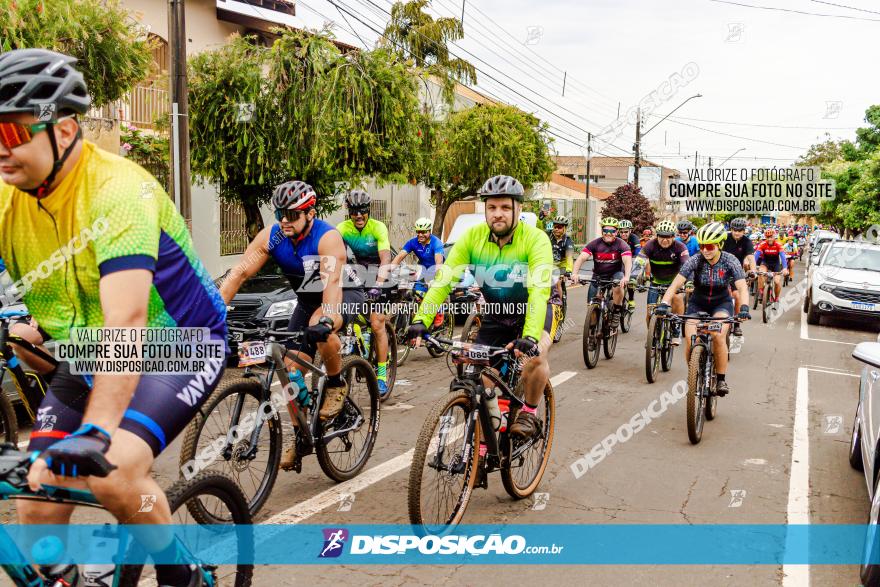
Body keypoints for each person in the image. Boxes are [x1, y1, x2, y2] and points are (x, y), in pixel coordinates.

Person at [0, 48, 228, 586]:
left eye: (11, 133)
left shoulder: (119, 192)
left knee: (113, 472)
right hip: (86, 351)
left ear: (64, 131)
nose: (0, 148)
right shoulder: (9, 199)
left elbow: (126, 323)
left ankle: (183, 575)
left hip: (179, 343)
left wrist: (98, 432)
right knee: (34, 508)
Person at [222, 180, 365, 468]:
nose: (284, 222)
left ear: (310, 213)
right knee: (290, 372)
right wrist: (212, 311)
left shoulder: (328, 238)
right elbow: (239, 273)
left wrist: (326, 318)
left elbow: (332, 285)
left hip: (342, 293)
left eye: (292, 215)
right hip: (306, 301)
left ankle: (336, 384)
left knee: (320, 326)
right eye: (279, 215)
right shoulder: (272, 237)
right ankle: (301, 436)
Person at [406, 175, 554, 443]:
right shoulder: (471, 237)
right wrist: (421, 320)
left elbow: (538, 290)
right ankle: (489, 434)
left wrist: (531, 336)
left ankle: (530, 411)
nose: (498, 214)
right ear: (485, 209)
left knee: (535, 356)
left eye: (505, 208)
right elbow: (443, 281)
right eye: (492, 208)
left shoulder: (536, 239)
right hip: (496, 314)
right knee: (479, 380)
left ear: (518, 209)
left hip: (534, 309)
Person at [655, 222, 751, 396]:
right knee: (691, 338)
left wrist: (744, 307)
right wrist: (664, 303)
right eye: (701, 246)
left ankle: (721, 379)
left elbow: (742, 288)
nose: (705, 250)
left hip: (721, 303)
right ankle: (694, 372)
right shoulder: (696, 259)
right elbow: (675, 284)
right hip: (697, 302)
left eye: (709, 246)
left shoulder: (730, 260)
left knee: (717, 335)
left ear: (719, 244)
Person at [337, 190, 393, 395]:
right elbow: (334, 257)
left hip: (378, 273)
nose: (358, 215)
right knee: (343, 316)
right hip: (353, 274)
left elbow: (385, 258)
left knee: (377, 323)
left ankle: (381, 374)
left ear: (368, 211)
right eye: (354, 211)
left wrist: (378, 284)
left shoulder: (378, 227)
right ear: (349, 212)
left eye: (362, 211)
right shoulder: (342, 229)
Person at [631, 220, 689, 344]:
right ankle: (652, 335)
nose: (665, 240)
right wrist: (633, 278)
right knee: (649, 313)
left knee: (678, 298)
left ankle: (676, 328)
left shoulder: (680, 247)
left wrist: (689, 281)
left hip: (674, 283)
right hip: (656, 282)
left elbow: (687, 265)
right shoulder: (650, 246)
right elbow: (639, 262)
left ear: (674, 236)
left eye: (668, 237)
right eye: (662, 236)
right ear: (657, 236)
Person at [572, 217, 632, 330]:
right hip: (598, 276)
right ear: (602, 231)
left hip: (615, 274)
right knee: (592, 309)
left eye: (612, 231)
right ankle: (592, 335)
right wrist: (575, 273)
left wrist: (627, 276)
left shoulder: (622, 244)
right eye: (606, 231)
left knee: (618, 285)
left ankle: (616, 312)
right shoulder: (595, 244)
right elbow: (581, 258)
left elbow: (627, 261)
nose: (609, 234)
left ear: (617, 232)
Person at [391, 217, 445, 294]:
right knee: (418, 295)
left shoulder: (436, 243)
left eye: (423, 232)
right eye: (418, 232)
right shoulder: (412, 242)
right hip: (424, 271)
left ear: (429, 231)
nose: (420, 235)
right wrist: (389, 271)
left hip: (438, 271)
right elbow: (399, 256)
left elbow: (439, 261)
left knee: (437, 297)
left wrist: (436, 278)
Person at [722, 217, 756, 337]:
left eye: (739, 230)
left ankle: (736, 324)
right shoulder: (724, 237)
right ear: (731, 229)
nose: (736, 232)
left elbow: (751, 258)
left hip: (736, 272)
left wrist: (753, 271)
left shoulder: (747, 241)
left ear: (744, 231)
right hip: (721, 270)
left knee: (737, 295)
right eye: (734, 230)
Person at [755, 228, 788, 305]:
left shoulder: (778, 244)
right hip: (765, 262)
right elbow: (756, 255)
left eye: (771, 237)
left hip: (776, 264)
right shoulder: (762, 244)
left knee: (777, 282)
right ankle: (761, 291)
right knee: (760, 273)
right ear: (765, 237)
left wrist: (785, 268)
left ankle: (776, 297)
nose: (769, 239)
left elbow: (783, 257)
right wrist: (752, 267)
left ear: (774, 237)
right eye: (767, 237)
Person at [548, 215, 574, 301]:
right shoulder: (548, 236)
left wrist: (569, 270)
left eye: (559, 227)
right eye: (555, 227)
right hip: (549, 264)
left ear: (564, 228)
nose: (556, 229)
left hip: (562, 265)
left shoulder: (567, 240)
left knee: (557, 281)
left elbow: (569, 257)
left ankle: (559, 303)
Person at [618, 219, 639, 309]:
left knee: (631, 281)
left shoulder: (634, 238)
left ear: (630, 231)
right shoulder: (617, 238)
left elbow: (638, 253)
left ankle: (631, 299)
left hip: (632, 258)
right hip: (619, 259)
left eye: (626, 231)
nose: (623, 234)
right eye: (621, 232)